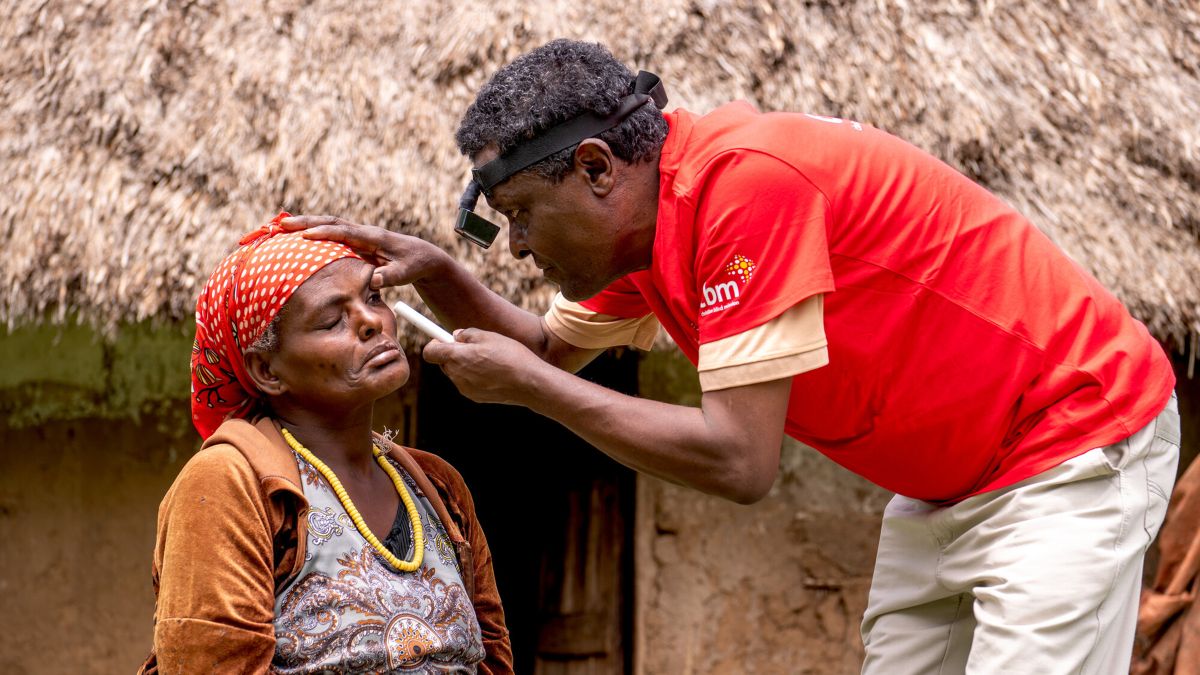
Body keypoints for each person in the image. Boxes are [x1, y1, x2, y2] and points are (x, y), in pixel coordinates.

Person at [282, 39, 1181, 673]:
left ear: (597, 169)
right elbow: (549, 342)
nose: (514, 246)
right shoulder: (658, 226)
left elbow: (741, 459)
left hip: (1069, 444)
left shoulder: (746, 192)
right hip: (954, 483)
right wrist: (437, 273)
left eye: (520, 214)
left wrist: (540, 396)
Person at [139, 213, 512, 674]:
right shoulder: (229, 486)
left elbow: (493, 658)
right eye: (332, 320)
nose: (372, 321)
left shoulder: (438, 489)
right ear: (267, 371)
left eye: (374, 297)